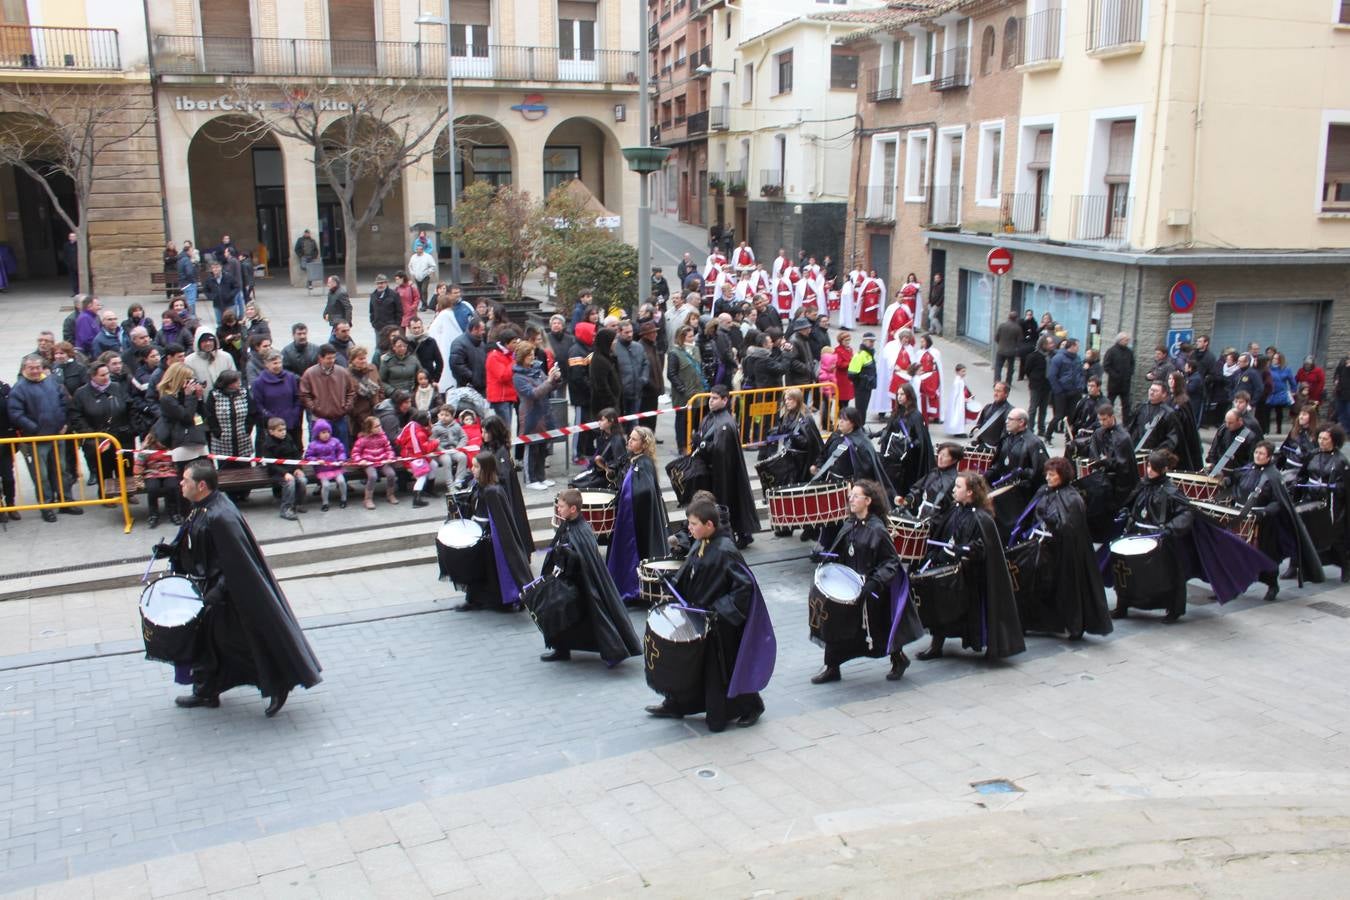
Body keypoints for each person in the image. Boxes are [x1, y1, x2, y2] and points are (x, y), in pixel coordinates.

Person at [153, 460, 322, 717]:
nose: (180, 484)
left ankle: (278, 683)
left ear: (201, 485)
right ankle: (206, 691)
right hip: (208, 589)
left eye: (185, 480)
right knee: (206, 643)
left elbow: (236, 562)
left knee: (241, 644)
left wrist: (218, 592)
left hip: (231, 596)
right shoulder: (200, 507)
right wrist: (172, 550)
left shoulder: (221, 515)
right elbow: (197, 543)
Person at [644, 495, 775, 731]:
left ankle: (751, 706)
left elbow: (745, 587)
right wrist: (671, 583)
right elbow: (689, 572)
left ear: (709, 525)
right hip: (699, 617)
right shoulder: (700, 542)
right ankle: (677, 704)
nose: (690, 529)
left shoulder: (726, 550)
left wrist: (718, 610)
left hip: (718, 624)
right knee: (692, 667)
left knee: (723, 670)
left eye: (693, 524)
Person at [1108, 450, 1271, 621]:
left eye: (1154, 468)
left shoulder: (1171, 491)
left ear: (1163, 469)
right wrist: (1126, 513)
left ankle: (1173, 609)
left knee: (1168, 575)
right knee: (1126, 572)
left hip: (1160, 538)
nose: (1149, 471)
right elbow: (1132, 503)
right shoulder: (1143, 484)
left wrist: (1170, 528)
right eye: (1149, 466)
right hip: (1137, 533)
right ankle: (1123, 605)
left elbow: (1186, 513)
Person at [810, 480, 922, 684]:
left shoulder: (877, 529)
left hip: (872, 588)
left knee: (879, 630)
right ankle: (832, 666)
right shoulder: (849, 524)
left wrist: (875, 581)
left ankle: (899, 659)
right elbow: (839, 554)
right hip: (850, 586)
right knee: (836, 621)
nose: (850, 498)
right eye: (850, 495)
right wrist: (822, 556)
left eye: (855, 495)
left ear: (868, 501)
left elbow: (891, 561)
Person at [913, 472, 1025, 661]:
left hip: (971, 576)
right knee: (940, 604)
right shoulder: (954, 509)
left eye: (958, 487)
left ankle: (988, 643)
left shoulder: (983, 518)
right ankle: (936, 644)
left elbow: (983, 549)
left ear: (970, 492)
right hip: (948, 569)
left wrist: (968, 550)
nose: (954, 490)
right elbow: (941, 534)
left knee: (975, 610)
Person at [1007, 457, 1113, 640]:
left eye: (1052, 475)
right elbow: (1030, 515)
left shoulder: (1072, 498)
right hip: (1040, 547)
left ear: (1062, 476)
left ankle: (1074, 625)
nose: (1048, 478)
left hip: (1064, 552)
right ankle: (1034, 622)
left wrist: (1053, 525)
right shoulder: (1043, 491)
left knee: (1067, 589)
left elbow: (1071, 527)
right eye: (1047, 474)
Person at [536, 488, 643, 664]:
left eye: (562, 506)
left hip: (584, 584)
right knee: (558, 612)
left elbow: (584, 558)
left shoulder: (582, 529)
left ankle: (614, 651)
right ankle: (561, 648)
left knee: (598, 617)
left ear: (573, 509)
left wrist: (568, 554)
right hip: (567, 579)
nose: (558, 509)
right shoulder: (567, 524)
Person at [1228, 441, 1324, 598]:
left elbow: (1278, 501)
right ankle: (1235, 584)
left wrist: (1265, 512)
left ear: (1269, 457)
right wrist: (1226, 481)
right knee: (1238, 554)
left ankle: (1272, 585)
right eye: (1256, 453)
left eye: (1261, 454)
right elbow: (1237, 482)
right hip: (1243, 519)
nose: (1257, 456)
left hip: (1265, 524)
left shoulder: (1273, 476)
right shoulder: (1247, 469)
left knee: (1266, 555)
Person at [447, 452, 534, 611]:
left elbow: (500, 521)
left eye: (476, 466)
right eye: (472, 466)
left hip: (492, 539)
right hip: (479, 535)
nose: (472, 469)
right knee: (477, 569)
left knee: (495, 571)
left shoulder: (493, 491)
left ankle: (503, 601)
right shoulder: (477, 485)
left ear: (485, 469)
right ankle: (476, 599)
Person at [605, 427, 670, 603]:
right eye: (630, 438)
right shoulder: (637, 460)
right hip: (632, 516)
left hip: (636, 520)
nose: (629, 442)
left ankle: (633, 589)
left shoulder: (644, 464)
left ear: (643, 445)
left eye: (633, 439)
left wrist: (628, 499)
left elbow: (645, 491)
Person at [693, 385, 761, 548]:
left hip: (724, 473)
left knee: (728, 502)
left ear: (725, 400)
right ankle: (742, 534)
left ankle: (737, 535)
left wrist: (702, 445)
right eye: (710, 398)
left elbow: (719, 450)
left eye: (715, 398)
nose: (711, 401)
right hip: (718, 471)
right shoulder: (712, 417)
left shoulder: (725, 423)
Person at [155, 363, 210, 523]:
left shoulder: (186, 396)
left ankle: (204, 512)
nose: (190, 383)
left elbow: (201, 415)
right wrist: (189, 396)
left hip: (198, 440)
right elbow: (186, 417)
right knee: (187, 483)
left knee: (203, 481)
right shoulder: (167, 399)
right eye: (186, 379)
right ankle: (188, 516)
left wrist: (199, 397)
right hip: (182, 445)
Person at [70, 361, 131, 495]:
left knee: (124, 466)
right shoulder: (81, 394)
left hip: (121, 435)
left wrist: (130, 428)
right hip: (99, 438)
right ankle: (106, 494)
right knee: (104, 468)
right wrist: (91, 434)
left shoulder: (117, 387)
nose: (106, 377)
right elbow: (76, 417)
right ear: (93, 376)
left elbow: (129, 406)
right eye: (102, 375)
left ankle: (127, 493)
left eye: (107, 374)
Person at [986, 408, 1049, 536]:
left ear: (1021, 422)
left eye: (1010, 419)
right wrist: (988, 474)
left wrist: (1023, 474)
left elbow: (1041, 471)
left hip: (1021, 493)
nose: (1007, 422)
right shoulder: (1005, 439)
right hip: (1003, 487)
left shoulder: (1034, 443)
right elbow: (999, 463)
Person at [1298, 426, 1349, 582]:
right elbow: (1303, 474)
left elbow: (1345, 486)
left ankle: (1346, 567)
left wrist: (1331, 487)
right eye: (1320, 438)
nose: (1321, 442)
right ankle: (1306, 570)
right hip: (1311, 501)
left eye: (1325, 439)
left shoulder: (1341, 460)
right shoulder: (1313, 455)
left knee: (1336, 537)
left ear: (1334, 441)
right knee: (1309, 535)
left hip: (1332, 504)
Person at [812, 405, 895, 500]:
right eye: (840, 418)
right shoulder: (836, 435)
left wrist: (856, 488)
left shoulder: (861, 443)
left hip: (849, 489)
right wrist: (818, 466)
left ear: (853, 423)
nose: (840, 422)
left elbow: (866, 471)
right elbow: (824, 454)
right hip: (829, 484)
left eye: (844, 420)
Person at [480, 413, 534, 552]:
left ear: (494, 432)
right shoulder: (486, 447)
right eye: (482, 431)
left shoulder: (501, 452)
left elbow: (502, 476)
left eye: (486, 431)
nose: (483, 434)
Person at [512, 342, 562, 489]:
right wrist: (548, 381)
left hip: (544, 412)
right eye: (529, 355)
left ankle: (541, 477)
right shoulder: (518, 377)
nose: (532, 357)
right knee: (532, 447)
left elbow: (549, 386)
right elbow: (533, 394)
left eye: (533, 354)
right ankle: (530, 479)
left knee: (543, 447)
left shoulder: (537, 369)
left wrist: (555, 378)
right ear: (522, 357)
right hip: (530, 415)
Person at [299, 345, 356, 449]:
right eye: (329, 358)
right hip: (319, 419)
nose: (332, 361)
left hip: (340, 417)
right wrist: (314, 407)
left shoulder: (343, 372)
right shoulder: (309, 374)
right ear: (320, 358)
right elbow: (304, 394)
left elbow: (351, 392)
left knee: (341, 450)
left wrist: (347, 407)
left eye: (333, 357)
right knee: (319, 451)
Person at [896, 442, 961, 521]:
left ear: (954, 460)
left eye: (945, 455)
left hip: (939, 521)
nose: (940, 457)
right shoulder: (934, 473)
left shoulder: (955, 481)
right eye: (939, 454)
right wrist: (907, 500)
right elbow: (918, 490)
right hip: (922, 516)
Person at [667, 324, 706, 454]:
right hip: (683, 394)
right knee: (682, 421)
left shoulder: (695, 349)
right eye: (689, 336)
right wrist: (682, 389)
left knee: (695, 420)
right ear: (682, 337)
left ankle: (692, 443)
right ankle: (682, 445)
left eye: (693, 335)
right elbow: (671, 374)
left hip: (697, 391)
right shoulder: (674, 352)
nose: (692, 338)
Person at [260, 417, 308, 520]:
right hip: (277, 472)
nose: (283, 432)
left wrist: (298, 468)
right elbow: (271, 464)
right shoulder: (267, 445)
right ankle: (286, 508)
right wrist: (284, 473)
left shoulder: (288, 439)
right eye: (280, 430)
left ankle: (298, 503)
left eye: (284, 430)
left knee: (302, 480)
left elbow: (296, 454)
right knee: (290, 483)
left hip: (291, 468)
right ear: (271, 431)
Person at [350, 415, 399, 509]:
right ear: (369, 429)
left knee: (391, 474)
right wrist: (360, 461)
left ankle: (390, 494)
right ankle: (368, 498)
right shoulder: (362, 440)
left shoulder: (383, 437)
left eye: (380, 425)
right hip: (369, 463)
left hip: (382, 461)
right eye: (376, 426)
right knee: (372, 476)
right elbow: (355, 453)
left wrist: (390, 457)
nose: (380, 428)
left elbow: (389, 449)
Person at [396, 409, 439, 507]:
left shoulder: (412, 426)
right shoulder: (419, 433)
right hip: (413, 457)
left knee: (434, 465)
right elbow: (426, 448)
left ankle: (429, 490)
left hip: (412, 455)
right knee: (422, 476)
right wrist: (436, 442)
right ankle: (416, 499)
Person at [134, 432, 179, 527]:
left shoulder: (172, 445)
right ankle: (153, 514)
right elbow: (139, 463)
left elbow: (177, 461)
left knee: (172, 486)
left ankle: (174, 512)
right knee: (152, 488)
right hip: (152, 472)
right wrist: (138, 478)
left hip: (169, 471)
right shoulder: (147, 447)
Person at [304, 418, 349, 511]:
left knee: (341, 481)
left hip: (335, 467)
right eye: (323, 432)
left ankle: (344, 499)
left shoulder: (335, 441)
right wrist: (316, 460)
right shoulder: (313, 445)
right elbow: (308, 456)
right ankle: (325, 503)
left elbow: (341, 451)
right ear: (317, 434)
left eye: (328, 432)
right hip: (322, 469)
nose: (326, 435)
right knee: (325, 485)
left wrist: (341, 459)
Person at [1046, 338, 1085, 443]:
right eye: (1077, 346)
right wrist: (1058, 390)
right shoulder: (1058, 358)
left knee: (1072, 416)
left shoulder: (1077, 358)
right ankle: (1048, 436)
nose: (1078, 348)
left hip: (1075, 392)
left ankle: (1069, 438)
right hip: (1061, 392)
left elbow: (1081, 373)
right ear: (1071, 346)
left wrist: (1080, 386)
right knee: (1059, 415)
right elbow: (1051, 375)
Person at [1129, 382, 1181, 456]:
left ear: (1164, 394)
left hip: (1155, 454)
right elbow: (1132, 428)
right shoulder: (1141, 407)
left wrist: (1158, 453)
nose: (1152, 392)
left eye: (1155, 391)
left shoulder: (1169, 413)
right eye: (1151, 390)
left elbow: (1172, 439)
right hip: (1137, 450)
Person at [1207, 409, 1257, 479]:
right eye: (1226, 422)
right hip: (1218, 470)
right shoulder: (1223, 429)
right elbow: (1214, 448)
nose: (1227, 425)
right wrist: (1212, 463)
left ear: (1240, 420)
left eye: (1231, 423)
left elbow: (1251, 460)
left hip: (1236, 473)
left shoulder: (1250, 437)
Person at [1025, 336, 1052, 438]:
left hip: (1047, 386)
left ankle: (1041, 429)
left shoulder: (1049, 356)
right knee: (1033, 408)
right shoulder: (1033, 356)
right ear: (1043, 345)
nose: (1051, 345)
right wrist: (1033, 378)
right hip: (1036, 385)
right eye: (1049, 344)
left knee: (1043, 409)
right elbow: (1027, 369)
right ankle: (1030, 428)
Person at [1102, 332, 1134, 419]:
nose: (1127, 342)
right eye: (1125, 340)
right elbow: (1106, 366)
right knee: (1109, 403)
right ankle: (1108, 419)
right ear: (1120, 340)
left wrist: (1130, 373)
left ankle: (1127, 423)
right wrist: (1114, 375)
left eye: (1128, 340)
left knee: (1126, 404)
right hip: (1114, 383)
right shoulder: (1111, 351)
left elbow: (1132, 364)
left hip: (1125, 384)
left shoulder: (1129, 352)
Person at [994, 312, 1022, 386]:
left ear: (1008, 317)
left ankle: (997, 380)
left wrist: (1000, 343)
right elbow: (1019, 341)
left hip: (1001, 349)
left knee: (998, 366)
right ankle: (1008, 382)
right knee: (1010, 367)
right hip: (1011, 351)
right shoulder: (1018, 328)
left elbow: (996, 337)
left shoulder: (1002, 325)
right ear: (1016, 318)